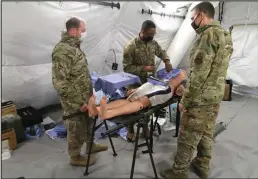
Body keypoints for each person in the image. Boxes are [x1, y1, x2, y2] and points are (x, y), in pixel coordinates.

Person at [160, 2, 233, 179]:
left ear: (201, 15)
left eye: (193, 18)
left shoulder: (207, 36)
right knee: (206, 133)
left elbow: (199, 75)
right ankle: (202, 165)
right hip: (215, 96)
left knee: (188, 136)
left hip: (200, 99)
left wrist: (185, 100)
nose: (192, 22)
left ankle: (178, 172)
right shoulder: (225, 34)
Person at [52, 17, 108, 167]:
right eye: (83, 30)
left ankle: (91, 146)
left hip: (85, 97)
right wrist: (78, 102)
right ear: (74, 30)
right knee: (76, 127)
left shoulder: (75, 47)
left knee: (89, 122)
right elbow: (59, 82)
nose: (85, 33)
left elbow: (79, 73)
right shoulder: (62, 51)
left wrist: (89, 96)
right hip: (74, 101)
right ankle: (75, 156)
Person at [123, 20, 173, 140]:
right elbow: (126, 68)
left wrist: (166, 60)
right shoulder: (130, 46)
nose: (152, 36)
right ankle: (130, 130)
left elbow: (161, 52)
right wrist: (144, 68)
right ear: (143, 31)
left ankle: (145, 127)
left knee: (147, 105)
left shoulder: (152, 43)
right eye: (150, 34)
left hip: (149, 82)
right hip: (135, 82)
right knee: (133, 107)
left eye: (154, 34)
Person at [87, 70, 187, 120]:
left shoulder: (185, 75)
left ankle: (108, 114)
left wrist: (182, 88)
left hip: (166, 89)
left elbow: (183, 89)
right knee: (129, 99)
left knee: (141, 101)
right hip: (156, 81)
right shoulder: (180, 71)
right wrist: (137, 89)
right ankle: (98, 110)